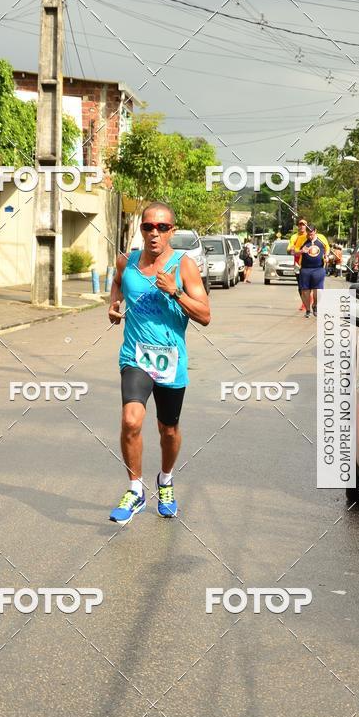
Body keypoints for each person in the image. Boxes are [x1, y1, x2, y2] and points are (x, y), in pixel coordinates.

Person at [108, 202, 211, 525]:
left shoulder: (185, 266)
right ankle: (135, 490)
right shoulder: (127, 261)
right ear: (141, 229)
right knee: (131, 420)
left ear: (172, 231)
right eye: (148, 226)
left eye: (162, 227)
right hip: (135, 356)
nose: (154, 233)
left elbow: (205, 315)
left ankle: (165, 481)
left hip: (171, 361)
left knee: (168, 430)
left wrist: (175, 291)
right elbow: (117, 284)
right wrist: (114, 305)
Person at [298, 224, 328, 318]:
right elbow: (293, 251)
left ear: (315, 231)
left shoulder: (322, 239)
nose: (310, 235)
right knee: (305, 291)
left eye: (312, 233)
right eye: (309, 233)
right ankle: (308, 310)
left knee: (318, 291)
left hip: (318, 269)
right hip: (305, 269)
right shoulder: (302, 239)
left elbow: (327, 249)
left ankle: (315, 305)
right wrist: (301, 251)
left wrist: (326, 256)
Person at [287, 218, 308, 310]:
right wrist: (292, 250)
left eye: (304, 224)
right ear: (298, 226)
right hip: (297, 264)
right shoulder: (294, 237)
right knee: (300, 286)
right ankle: (304, 302)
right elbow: (289, 249)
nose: (302, 226)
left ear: (306, 226)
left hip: (308, 263)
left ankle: (308, 303)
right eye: (300, 224)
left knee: (308, 285)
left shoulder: (309, 236)